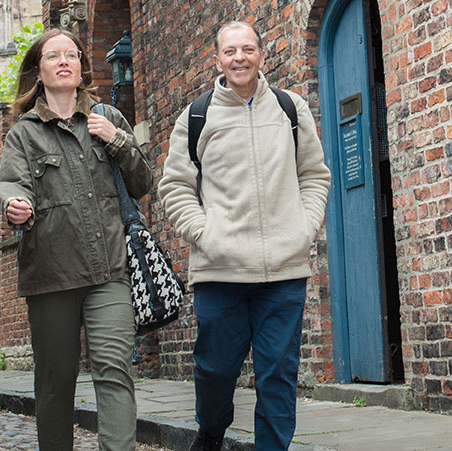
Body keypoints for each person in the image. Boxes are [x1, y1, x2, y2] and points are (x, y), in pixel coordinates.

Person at [158, 21, 331, 451]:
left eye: (248, 49)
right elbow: (174, 186)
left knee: (278, 373)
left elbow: (314, 175)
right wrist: (204, 234)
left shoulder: (290, 109)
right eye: (231, 51)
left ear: (260, 56)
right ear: (217, 59)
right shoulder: (197, 116)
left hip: (283, 274)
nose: (240, 58)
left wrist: (304, 227)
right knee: (215, 370)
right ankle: (211, 432)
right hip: (220, 271)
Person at [0, 29, 151, 451]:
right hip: (51, 275)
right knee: (55, 381)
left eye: (72, 55)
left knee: (115, 370)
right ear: (39, 70)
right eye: (53, 56)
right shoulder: (23, 134)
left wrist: (116, 140)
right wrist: (15, 207)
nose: (64, 61)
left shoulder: (108, 119)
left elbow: (142, 182)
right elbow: (10, 186)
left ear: (81, 67)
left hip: (108, 271)